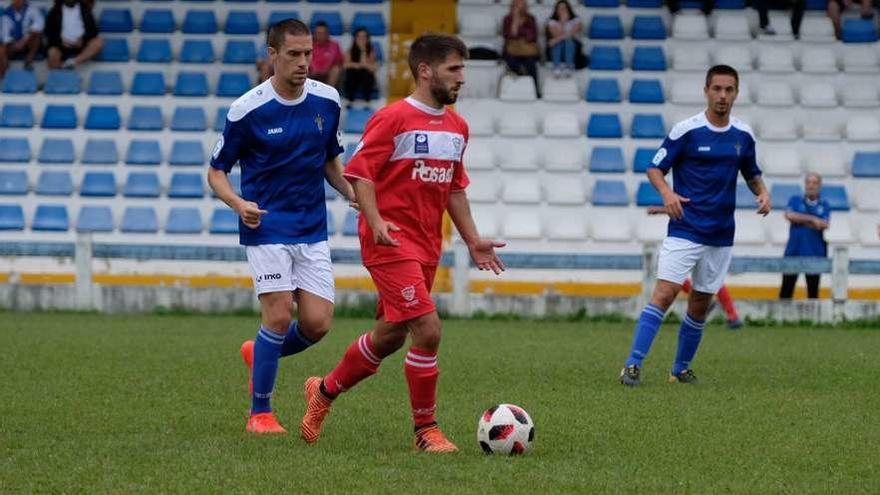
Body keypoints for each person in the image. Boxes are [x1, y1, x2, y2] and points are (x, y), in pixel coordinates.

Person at [299, 33, 506, 453]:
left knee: (390, 335)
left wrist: (472, 241)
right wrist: (375, 220)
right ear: (425, 71)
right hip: (390, 242)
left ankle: (324, 390)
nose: (461, 78)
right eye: (454, 69)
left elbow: (454, 189)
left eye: (462, 69)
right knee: (428, 331)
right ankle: (425, 432)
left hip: (427, 244)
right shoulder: (392, 118)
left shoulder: (457, 127)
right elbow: (361, 172)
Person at [207, 19, 356, 434]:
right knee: (276, 315)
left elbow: (331, 162)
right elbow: (216, 172)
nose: (304, 62)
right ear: (272, 54)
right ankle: (261, 413)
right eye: (293, 54)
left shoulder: (327, 101)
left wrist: (351, 192)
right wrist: (238, 203)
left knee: (318, 324)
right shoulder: (246, 109)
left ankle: (261, 353)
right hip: (267, 225)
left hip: (311, 228)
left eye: (307, 53)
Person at [619, 64, 770, 387]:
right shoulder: (685, 130)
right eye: (717, 89)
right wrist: (666, 192)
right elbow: (654, 167)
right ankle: (632, 365)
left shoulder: (743, 135)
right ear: (706, 90)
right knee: (665, 293)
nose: (723, 96)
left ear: (736, 93)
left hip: (721, 234)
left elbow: (751, 173)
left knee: (701, 302)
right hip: (685, 228)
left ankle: (680, 369)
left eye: (729, 90)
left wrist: (763, 193)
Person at [647, 206, 744, 329]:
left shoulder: (707, 194)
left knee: (708, 280)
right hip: (704, 236)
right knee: (705, 279)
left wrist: (662, 210)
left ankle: (732, 316)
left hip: (706, 238)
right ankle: (731, 315)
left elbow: (692, 208)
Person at [780, 172, 830, 299]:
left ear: (819, 186)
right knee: (786, 291)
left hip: (814, 253)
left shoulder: (824, 204)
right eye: (808, 182)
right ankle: (781, 318)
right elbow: (789, 215)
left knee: (813, 293)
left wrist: (800, 219)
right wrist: (813, 219)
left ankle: (813, 319)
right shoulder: (795, 200)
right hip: (793, 251)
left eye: (814, 183)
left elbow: (824, 224)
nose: (811, 186)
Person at [44, 0, 103, 70]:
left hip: (81, 45)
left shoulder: (85, 10)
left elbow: (93, 31)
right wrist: (61, 42)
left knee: (98, 42)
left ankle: (71, 62)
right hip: (61, 46)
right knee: (52, 52)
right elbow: (49, 32)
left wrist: (83, 39)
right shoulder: (55, 12)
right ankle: (60, 73)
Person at [502, 0, 540, 98]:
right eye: (517, 3)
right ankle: (521, 72)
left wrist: (519, 35)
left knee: (531, 64)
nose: (519, 6)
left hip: (528, 51)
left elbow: (533, 36)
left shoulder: (531, 18)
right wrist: (515, 20)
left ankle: (536, 91)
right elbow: (509, 35)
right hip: (512, 51)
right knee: (511, 61)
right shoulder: (508, 19)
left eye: (521, 3)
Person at [0, 0, 44, 76]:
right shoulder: (6, 14)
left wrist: (24, 40)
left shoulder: (32, 9)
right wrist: (14, 44)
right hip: (14, 44)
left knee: (36, 35)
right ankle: (4, 76)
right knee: (1, 50)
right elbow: (5, 35)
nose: (18, 1)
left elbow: (40, 24)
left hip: (28, 43)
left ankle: (29, 60)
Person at [545, 0, 582, 78]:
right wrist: (562, 22)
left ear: (569, 9)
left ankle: (569, 66)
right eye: (560, 8)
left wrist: (555, 40)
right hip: (558, 47)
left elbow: (572, 34)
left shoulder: (576, 20)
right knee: (558, 44)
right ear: (556, 10)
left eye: (564, 8)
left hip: (572, 47)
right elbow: (555, 34)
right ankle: (556, 67)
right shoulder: (551, 21)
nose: (562, 11)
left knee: (567, 41)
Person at [342, 27, 378, 106]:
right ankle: (350, 100)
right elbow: (345, 65)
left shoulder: (371, 51)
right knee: (351, 72)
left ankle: (367, 100)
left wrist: (363, 51)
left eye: (364, 37)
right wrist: (357, 65)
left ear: (368, 39)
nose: (361, 39)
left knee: (366, 72)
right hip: (354, 75)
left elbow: (372, 68)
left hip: (366, 75)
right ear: (355, 38)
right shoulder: (350, 50)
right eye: (359, 37)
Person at [309, 20, 343, 87]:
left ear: (327, 34)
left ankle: (329, 94)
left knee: (336, 69)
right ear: (314, 34)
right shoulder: (308, 45)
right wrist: (314, 69)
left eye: (322, 33)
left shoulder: (334, 45)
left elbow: (339, 61)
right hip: (311, 72)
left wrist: (326, 69)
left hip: (328, 73)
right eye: (318, 33)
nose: (320, 35)